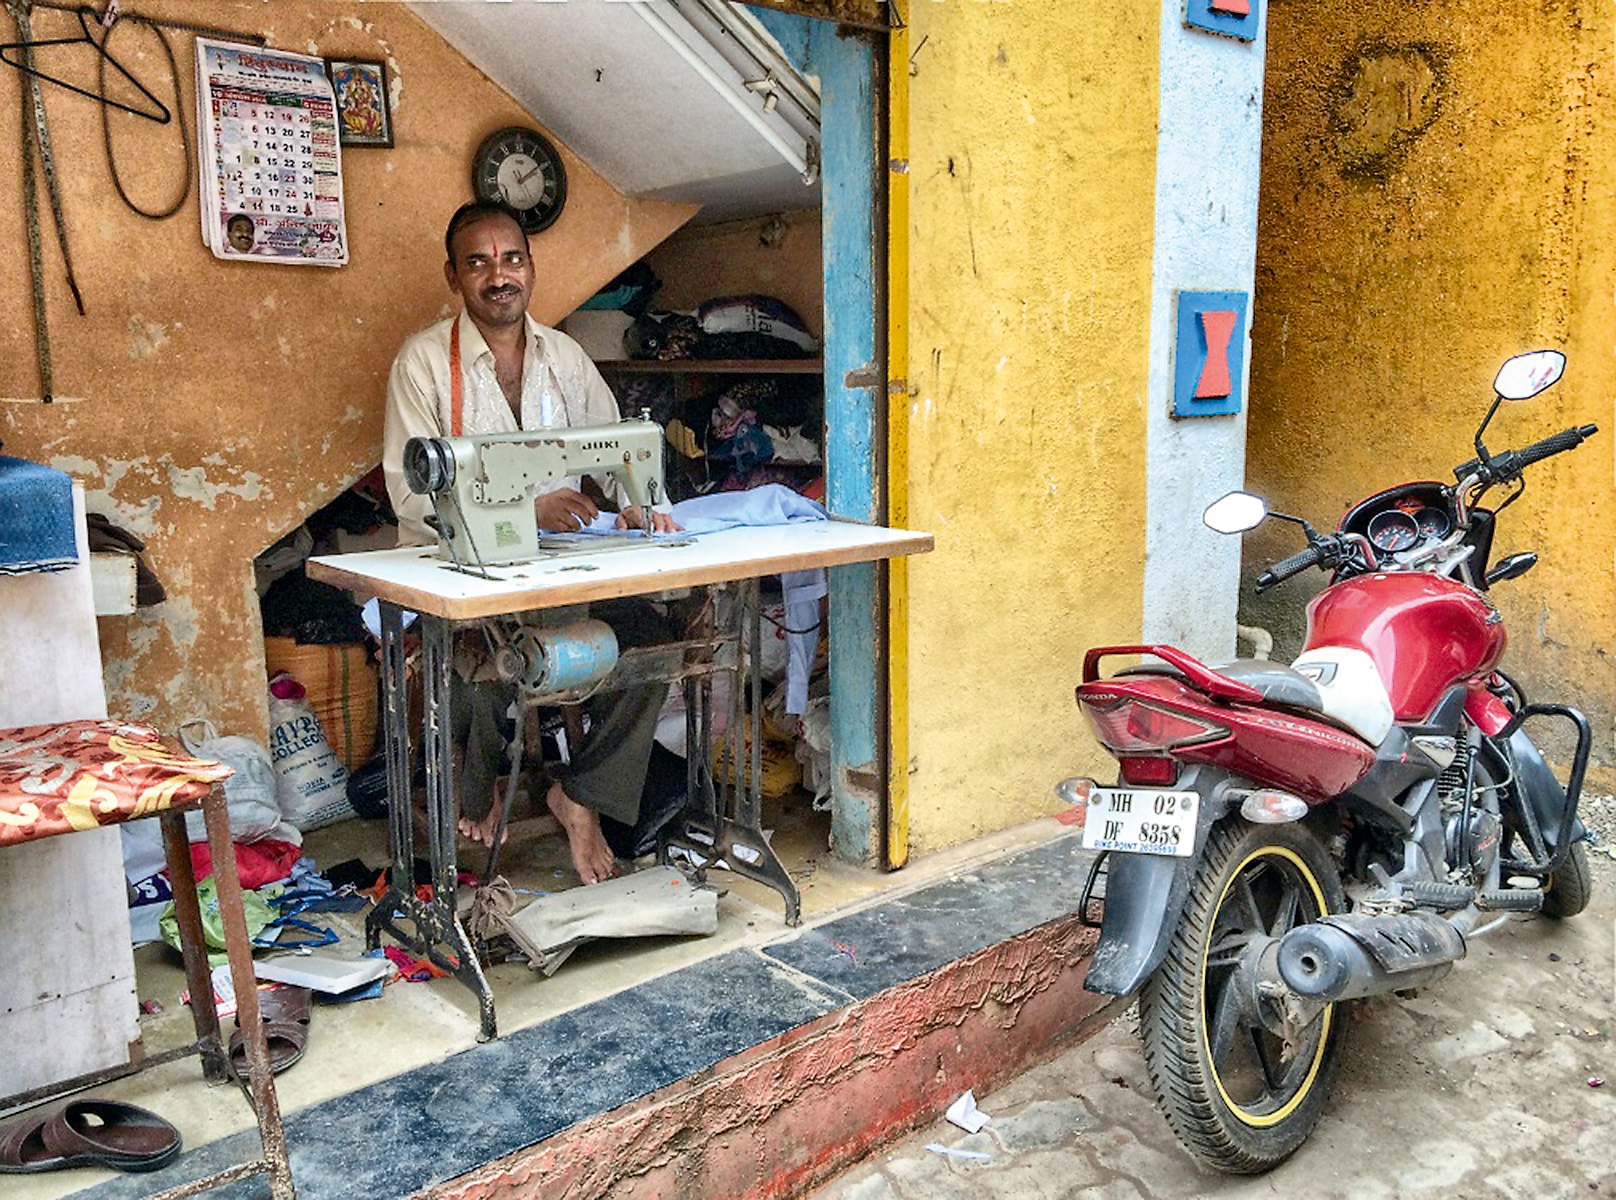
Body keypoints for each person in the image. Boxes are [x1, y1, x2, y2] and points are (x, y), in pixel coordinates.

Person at [382, 200, 679, 884]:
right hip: (461, 579)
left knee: (658, 647)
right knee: (488, 672)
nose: (498, 275)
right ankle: (483, 786)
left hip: (554, 580)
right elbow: (408, 492)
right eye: (478, 262)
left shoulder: (565, 359)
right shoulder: (424, 365)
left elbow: (617, 448)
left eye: (511, 259)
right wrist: (525, 507)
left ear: (531, 269)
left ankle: (580, 794)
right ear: (453, 277)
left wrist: (641, 504)